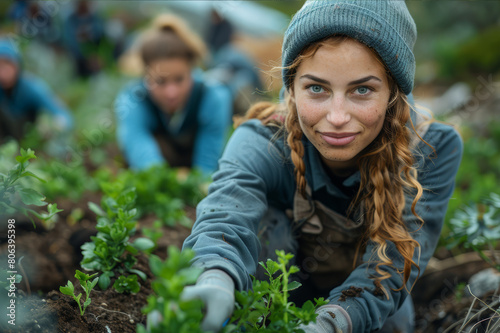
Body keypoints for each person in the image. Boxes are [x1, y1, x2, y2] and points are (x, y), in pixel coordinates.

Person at [181, 1, 463, 332]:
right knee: (265, 227)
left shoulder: (431, 147)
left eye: (362, 89)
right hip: (283, 287)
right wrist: (215, 276)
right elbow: (225, 213)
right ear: (292, 89)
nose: (338, 117)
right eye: (317, 88)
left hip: (365, 308)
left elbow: (394, 267)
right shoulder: (266, 138)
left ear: (392, 93)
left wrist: (331, 323)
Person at [114, 14, 232, 176]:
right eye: (160, 82)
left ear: (192, 71)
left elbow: (207, 165)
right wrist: (167, 180)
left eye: (179, 79)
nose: (171, 93)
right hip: (164, 168)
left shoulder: (213, 97)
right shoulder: (133, 100)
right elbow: (141, 152)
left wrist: (197, 182)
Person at [0, 37, 73, 144]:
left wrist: (56, 126)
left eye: (7, 64)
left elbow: (62, 114)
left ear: (17, 65)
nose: (3, 72)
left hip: (30, 139)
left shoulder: (31, 87)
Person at [63, 0, 105, 78]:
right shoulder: (70, 21)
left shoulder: (96, 19)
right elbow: (70, 42)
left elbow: (102, 36)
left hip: (96, 57)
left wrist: (97, 55)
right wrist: (86, 56)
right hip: (78, 59)